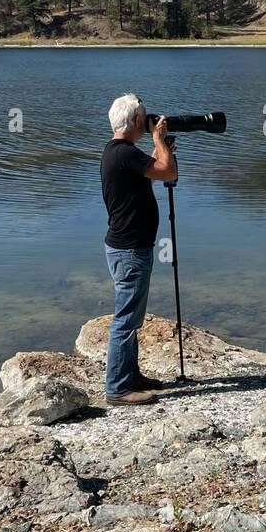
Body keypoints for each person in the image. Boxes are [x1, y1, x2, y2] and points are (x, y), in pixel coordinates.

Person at [100, 93, 177, 405]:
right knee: (125, 319)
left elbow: (157, 170)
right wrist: (159, 140)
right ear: (135, 121)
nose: (148, 124)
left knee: (132, 318)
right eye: (144, 119)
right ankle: (118, 388)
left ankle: (130, 375)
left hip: (129, 248)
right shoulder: (123, 154)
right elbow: (168, 173)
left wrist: (161, 148)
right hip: (129, 250)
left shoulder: (120, 152)